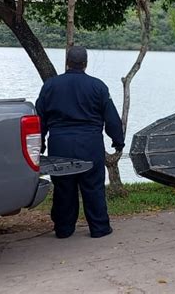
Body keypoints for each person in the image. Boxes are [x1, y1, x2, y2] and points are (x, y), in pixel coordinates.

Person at [36, 46, 124, 239]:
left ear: (67, 62)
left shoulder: (50, 86)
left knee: (63, 187)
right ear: (85, 63)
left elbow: (39, 118)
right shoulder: (98, 86)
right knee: (93, 186)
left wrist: (39, 144)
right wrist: (118, 141)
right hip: (90, 144)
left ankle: (64, 229)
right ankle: (99, 228)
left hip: (60, 143)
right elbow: (111, 119)